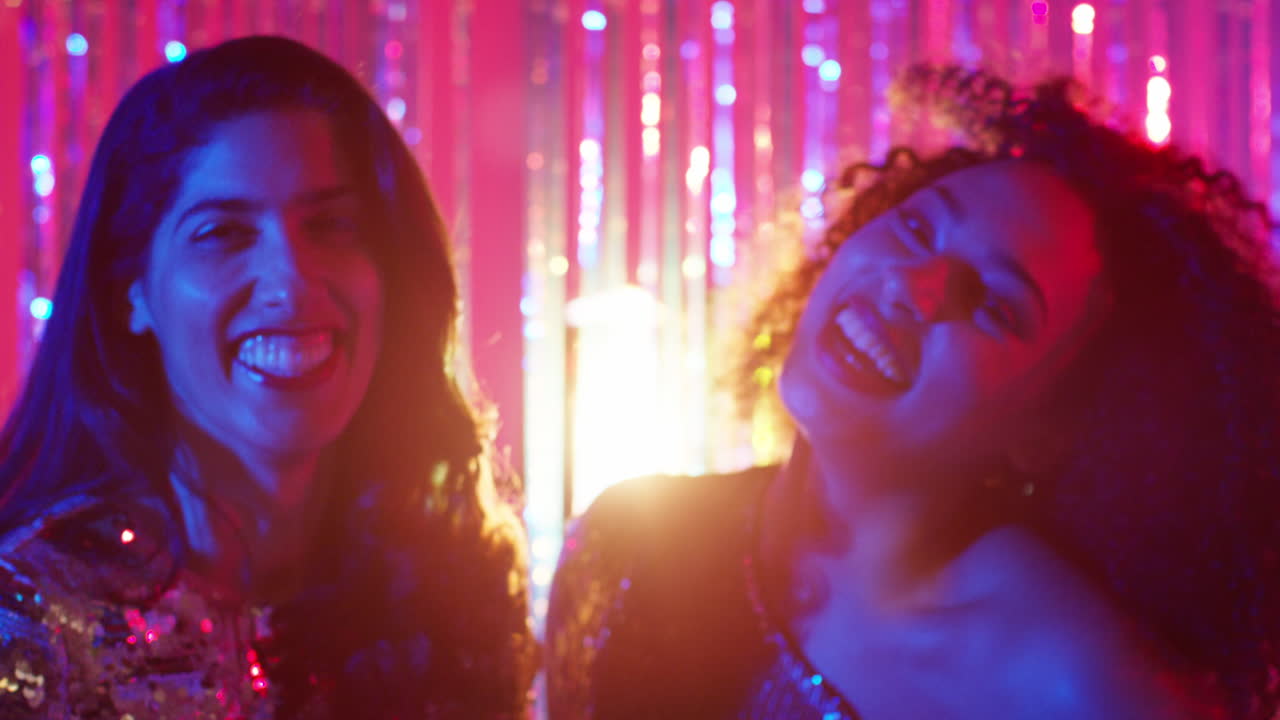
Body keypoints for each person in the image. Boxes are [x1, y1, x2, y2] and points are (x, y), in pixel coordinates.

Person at [547, 65, 1280, 719]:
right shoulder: (630, 547)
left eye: (993, 303)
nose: (914, 286)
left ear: (1047, 431)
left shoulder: (1077, 684)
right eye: (919, 227)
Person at [0, 36, 534, 719]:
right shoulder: (32, 619)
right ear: (131, 291)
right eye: (223, 233)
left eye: (334, 226)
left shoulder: (457, 587)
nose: (290, 281)